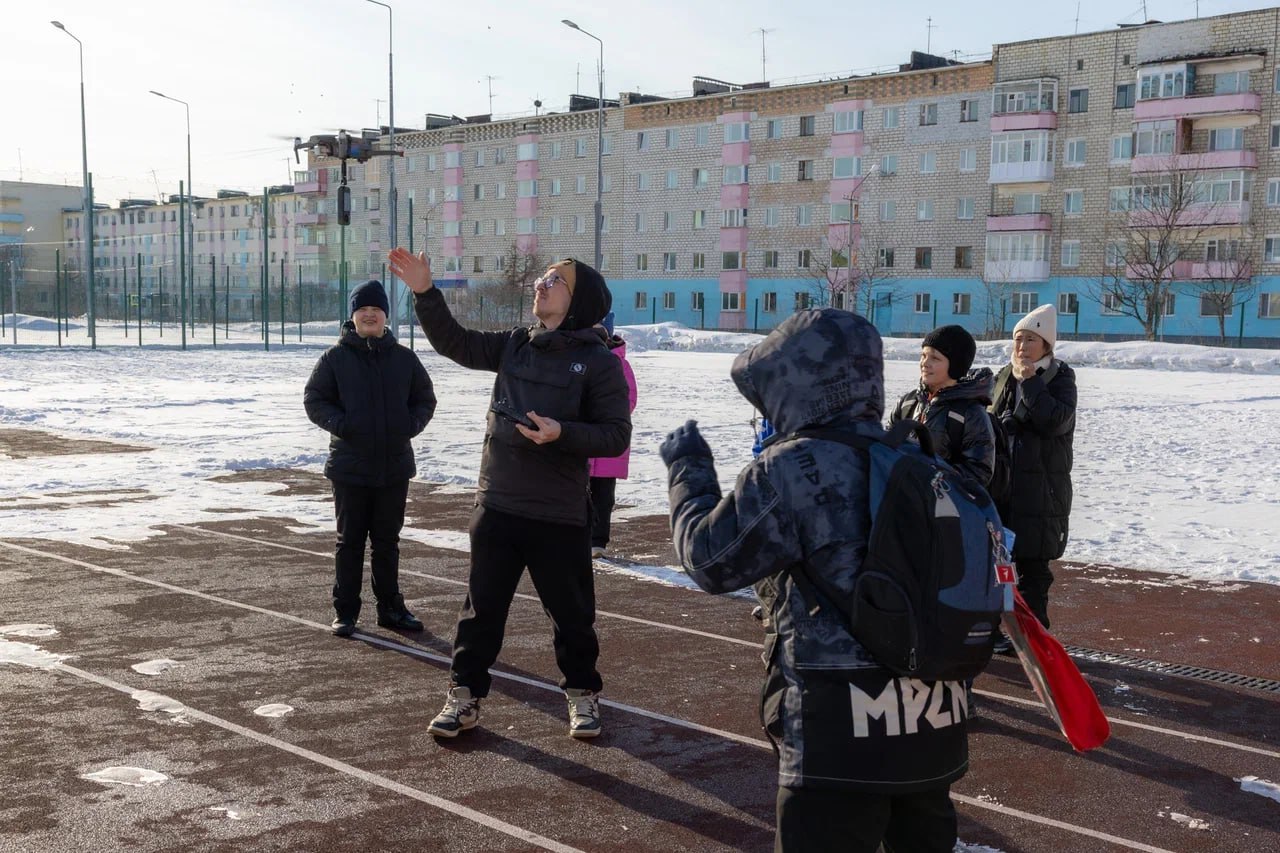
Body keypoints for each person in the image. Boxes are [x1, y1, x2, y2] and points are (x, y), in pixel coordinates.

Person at [660, 309, 968, 853]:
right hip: (932, 717)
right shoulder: (917, 459)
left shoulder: (793, 467)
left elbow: (710, 561)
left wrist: (689, 472)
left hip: (836, 729)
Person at [387, 247, 631, 739]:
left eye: (556, 280)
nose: (542, 283)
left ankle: (583, 694)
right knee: (481, 612)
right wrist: (425, 293)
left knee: (571, 615)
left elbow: (614, 435)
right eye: (543, 277)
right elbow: (456, 343)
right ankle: (464, 695)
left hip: (558, 513)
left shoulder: (598, 362)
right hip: (498, 503)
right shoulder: (516, 344)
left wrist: (561, 433)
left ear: (578, 301)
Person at [303, 279, 437, 637]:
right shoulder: (334, 358)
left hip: (394, 465)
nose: (369, 315)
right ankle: (345, 611)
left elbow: (425, 399)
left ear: (385, 317)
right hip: (350, 466)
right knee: (349, 542)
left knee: (387, 542)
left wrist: (409, 425)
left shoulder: (404, 358)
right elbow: (315, 400)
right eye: (362, 310)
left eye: (375, 310)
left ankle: (390, 609)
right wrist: (343, 425)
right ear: (353, 316)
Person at [989, 303, 1077, 630]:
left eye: (1030, 340)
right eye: (1018, 339)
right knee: (999, 564)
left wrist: (1029, 382)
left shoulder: (1059, 377)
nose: (1022, 347)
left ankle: (1033, 633)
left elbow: (1054, 421)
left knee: (1034, 569)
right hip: (1004, 486)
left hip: (1042, 489)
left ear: (1046, 345)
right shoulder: (1001, 376)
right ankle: (1000, 630)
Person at [889, 324, 995, 488]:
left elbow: (979, 471)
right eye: (923, 355)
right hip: (903, 503)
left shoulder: (970, 412)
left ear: (955, 366)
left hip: (942, 507)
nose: (925, 363)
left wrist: (934, 480)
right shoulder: (908, 402)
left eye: (935, 358)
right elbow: (886, 447)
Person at [588, 312, 638, 559]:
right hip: (582, 441)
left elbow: (629, 400)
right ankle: (575, 535)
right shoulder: (582, 359)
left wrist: (605, 415)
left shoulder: (620, 364)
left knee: (603, 496)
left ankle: (598, 541)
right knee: (576, 492)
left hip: (608, 443)